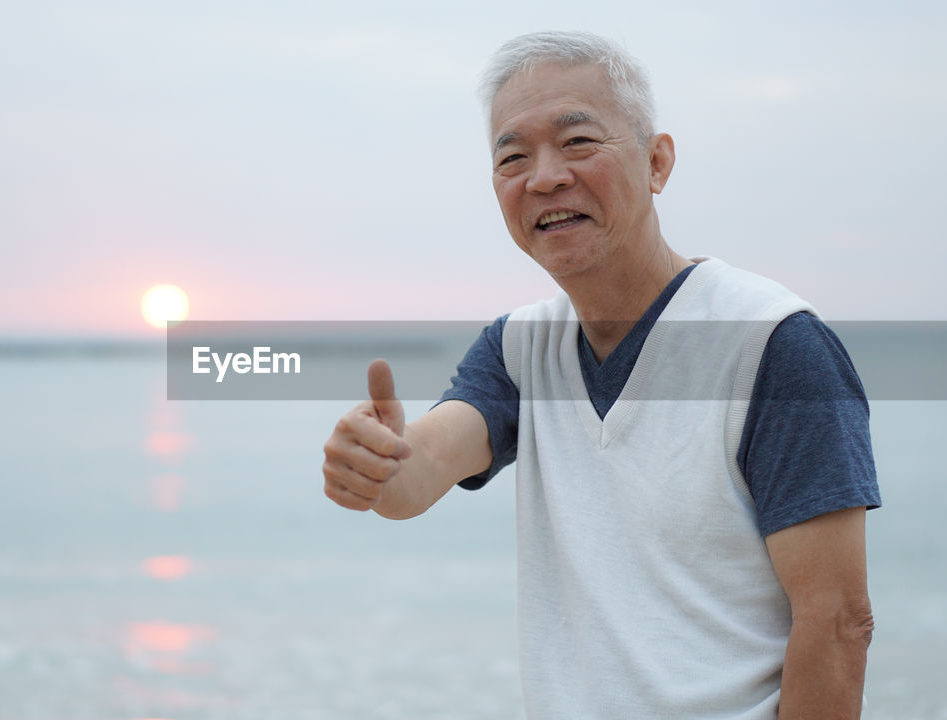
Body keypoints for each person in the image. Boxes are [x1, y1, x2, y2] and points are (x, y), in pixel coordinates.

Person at [321, 30, 881, 720]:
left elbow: (837, 623)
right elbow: (420, 471)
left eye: (578, 142)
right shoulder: (521, 348)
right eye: (512, 156)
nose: (545, 176)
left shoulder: (773, 344)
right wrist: (376, 461)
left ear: (657, 161)